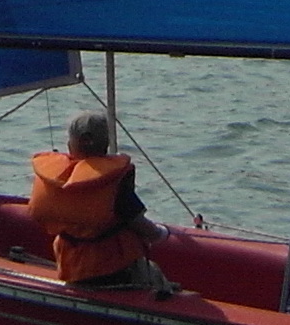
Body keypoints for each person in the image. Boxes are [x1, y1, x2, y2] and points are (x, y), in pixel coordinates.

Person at [26, 107, 179, 295]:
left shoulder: (54, 181)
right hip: (117, 272)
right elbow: (139, 223)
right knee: (156, 276)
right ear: (106, 143)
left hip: (75, 272)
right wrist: (162, 234)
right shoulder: (113, 181)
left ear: (71, 144)